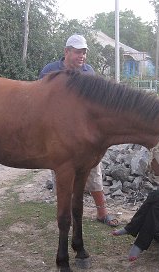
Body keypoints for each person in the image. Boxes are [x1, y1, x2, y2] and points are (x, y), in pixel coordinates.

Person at [39, 34, 118, 227]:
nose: (82, 56)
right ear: (67, 52)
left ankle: (102, 212)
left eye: (84, 52)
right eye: (77, 52)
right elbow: (40, 100)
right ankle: (65, 215)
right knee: (62, 178)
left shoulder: (88, 72)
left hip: (85, 137)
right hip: (60, 137)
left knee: (94, 175)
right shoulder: (50, 70)